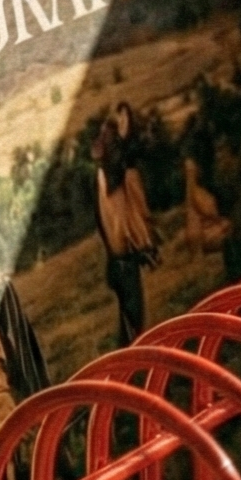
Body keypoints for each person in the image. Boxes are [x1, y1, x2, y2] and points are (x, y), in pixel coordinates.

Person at [94, 114, 160, 340]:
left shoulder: (103, 176)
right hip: (122, 260)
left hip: (118, 260)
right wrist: (142, 246)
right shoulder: (110, 178)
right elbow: (121, 223)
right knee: (133, 320)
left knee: (130, 319)